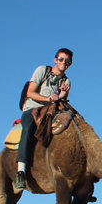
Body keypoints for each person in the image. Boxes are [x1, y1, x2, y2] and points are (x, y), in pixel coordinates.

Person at [15, 48, 73, 190]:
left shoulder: (66, 81)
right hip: (33, 108)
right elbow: (30, 92)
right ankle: (20, 172)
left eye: (67, 61)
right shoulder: (42, 71)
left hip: (51, 112)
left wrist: (63, 94)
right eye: (61, 59)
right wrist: (48, 99)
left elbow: (61, 99)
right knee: (28, 128)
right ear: (55, 60)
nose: (63, 62)